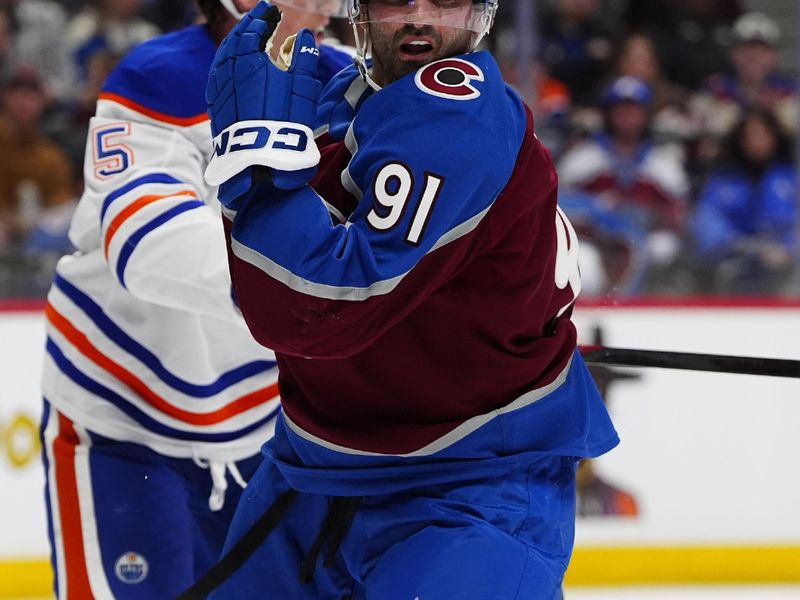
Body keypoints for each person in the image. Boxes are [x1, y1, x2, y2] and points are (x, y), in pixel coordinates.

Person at [198, 1, 619, 598]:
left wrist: (256, 173)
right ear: (362, 9)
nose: (420, 16)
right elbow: (275, 291)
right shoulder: (342, 96)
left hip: (468, 489)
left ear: (480, 12)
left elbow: (317, 308)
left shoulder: (461, 117)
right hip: (311, 469)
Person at [39, 1, 352, 598]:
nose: (329, 5)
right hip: (123, 414)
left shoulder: (344, 85)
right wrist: (306, 288)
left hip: (269, 424)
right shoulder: (157, 77)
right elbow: (148, 245)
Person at [558, 76, 690, 295]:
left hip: (646, 240)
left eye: (634, 110)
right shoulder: (582, 158)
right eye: (620, 109)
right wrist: (596, 216)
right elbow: (559, 210)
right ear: (607, 113)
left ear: (646, 115)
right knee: (584, 262)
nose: (627, 116)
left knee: (664, 248)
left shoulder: (663, 162)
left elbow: (680, 216)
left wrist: (650, 216)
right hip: (594, 242)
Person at [689, 108, 797, 295]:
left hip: (786, 269)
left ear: (774, 137)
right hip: (734, 266)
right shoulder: (722, 180)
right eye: (749, 135)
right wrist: (746, 248)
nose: (756, 141)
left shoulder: (792, 178)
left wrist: (787, 248)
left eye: (762, 134)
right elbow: (707, 223)